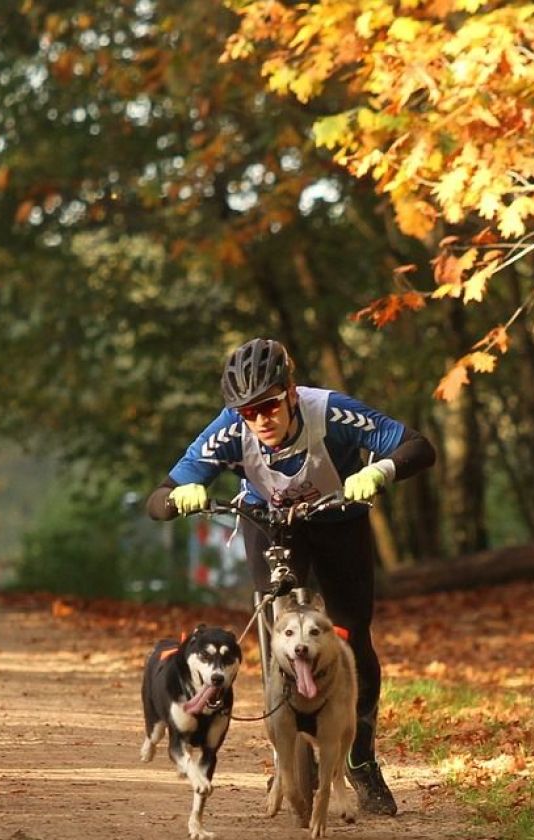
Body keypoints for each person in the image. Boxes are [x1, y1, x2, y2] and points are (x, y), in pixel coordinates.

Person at [146, 337, 436, 817]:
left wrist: (381, 470)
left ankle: (360, 757)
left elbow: (418, 446)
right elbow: (158, 498)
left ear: (292, 393)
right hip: (267, 522)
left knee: (351, 634)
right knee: (276, 635)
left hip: (339, 519)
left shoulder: (332, 413)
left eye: (269, 405)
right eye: (248, 411)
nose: (261, 419)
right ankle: (289, 759)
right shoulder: (227, 431)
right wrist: (180, 497)